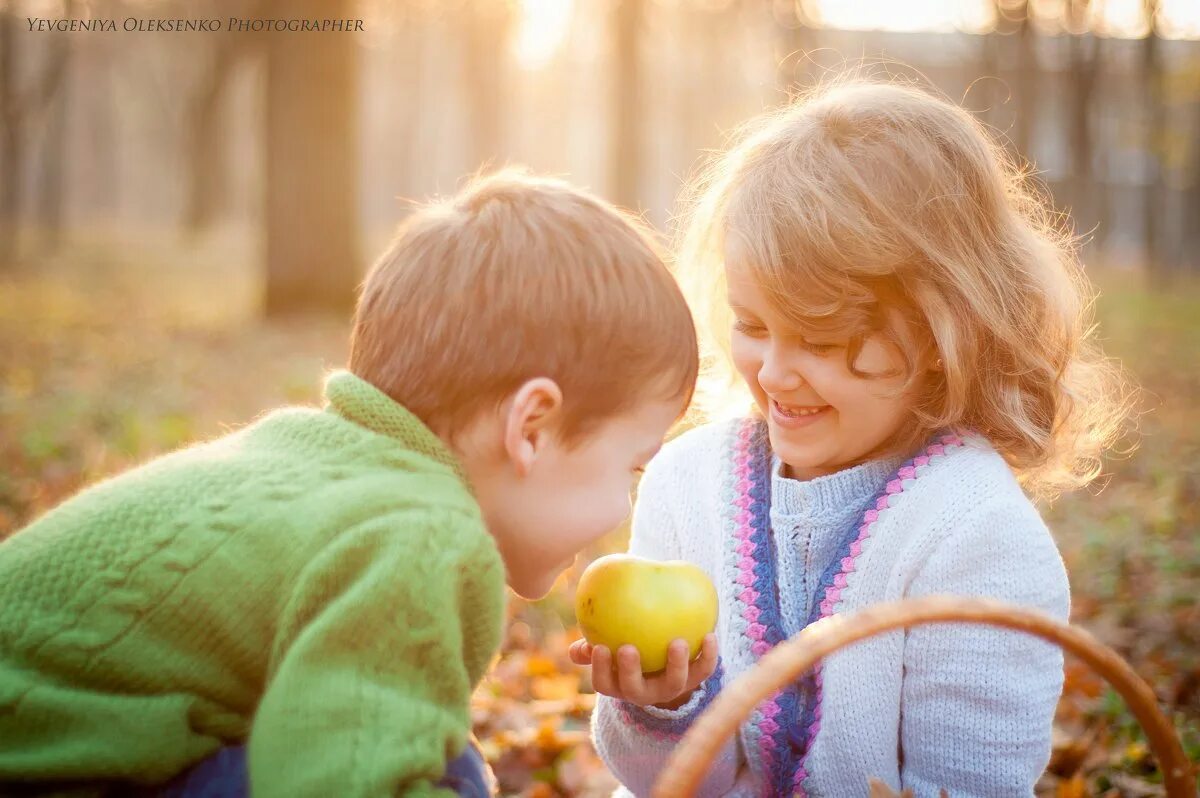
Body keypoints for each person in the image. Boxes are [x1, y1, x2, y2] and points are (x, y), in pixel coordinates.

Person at [0, 169, 699, 797]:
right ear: (533, 427)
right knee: (446, 776)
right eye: (630, 468)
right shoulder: (420, 535)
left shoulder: (319, 464)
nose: (623, 506)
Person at [572, 78, 1136, 797]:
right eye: (752, 325)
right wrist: (662, 706)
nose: (774, 372)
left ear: (942, 331)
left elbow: (971, 784)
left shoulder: (979, 536)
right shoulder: (685, 483)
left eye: (823, 337)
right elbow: (668, 783)